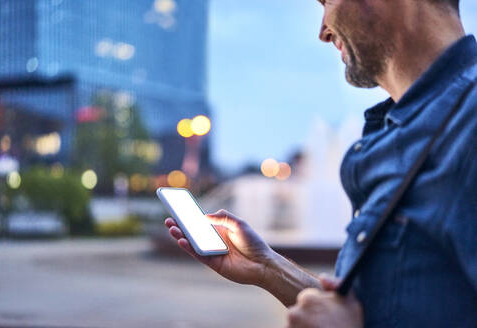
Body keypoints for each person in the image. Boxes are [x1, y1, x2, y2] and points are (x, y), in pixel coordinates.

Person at [165, 0, 477, 326]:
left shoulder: (468, 124)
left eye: (326, 1)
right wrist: (269, 268)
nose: (323, 31)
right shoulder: (402, 130)